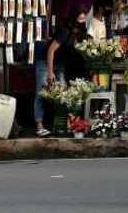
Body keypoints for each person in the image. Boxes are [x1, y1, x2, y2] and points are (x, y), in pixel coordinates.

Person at [35, 8, 89, 137]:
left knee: (62, 93)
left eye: (83, 20)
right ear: (73, 20)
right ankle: (39, 125)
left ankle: (65, 123)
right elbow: (51, 50)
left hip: (60, 64)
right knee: (42, 91)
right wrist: (49, 72)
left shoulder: (78, 34)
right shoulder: (65, 31)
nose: (81, 23)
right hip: (45, 62)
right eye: (79, 20)